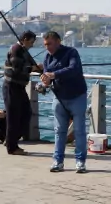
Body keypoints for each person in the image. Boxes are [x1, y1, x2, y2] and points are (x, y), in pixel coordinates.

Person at [41, 31, 89, 173]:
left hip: (77, 96)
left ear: (58, 41)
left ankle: (80, 162)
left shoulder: (71, 52)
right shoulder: (47, 58)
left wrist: (54, 74)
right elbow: (46, 75)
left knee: (79, 131)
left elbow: (73, 69)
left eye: (49, 43)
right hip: (59, 97)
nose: (47, 47)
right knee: (59, 131)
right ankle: (58, 161)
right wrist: (45, 81)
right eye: (45, 44)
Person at [2, 30, 42, 155]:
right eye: (31, 42)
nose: (32, 45)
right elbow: (17, 67)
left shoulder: (24, 52)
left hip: (20, 87)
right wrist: (32, 68)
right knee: (13, 117)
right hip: (11, 86)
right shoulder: (15, 49)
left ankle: (10, 139)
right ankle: (12, 147)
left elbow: (30, 65)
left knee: (26, 113)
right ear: (24, 39)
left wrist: (40, 69)